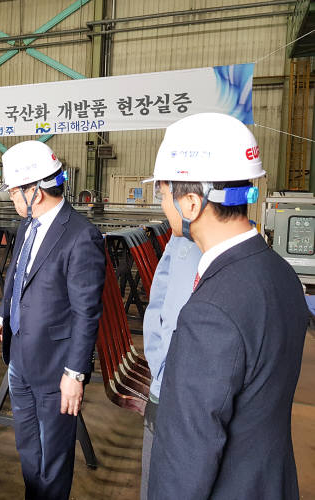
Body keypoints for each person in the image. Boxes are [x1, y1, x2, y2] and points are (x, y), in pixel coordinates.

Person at [147, 113, 309, 499]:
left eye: (163, 191)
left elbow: (185, 461)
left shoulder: (210, 313)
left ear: (190, 202)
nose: (162, 202)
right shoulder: (281, 274)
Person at [0, 140, 105, 500]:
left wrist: (75, 374)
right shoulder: (28, 225)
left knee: (53, 456)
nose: (11, 198)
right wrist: (1, 316)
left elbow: (87, 312)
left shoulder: (80, 236)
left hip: (56, 370)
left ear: (35, 191)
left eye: (14, 191)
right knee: (28, 448)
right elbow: (17, 275)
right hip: (19, 358)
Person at [140, 234, 201, 500]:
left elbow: (162, 316)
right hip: (169, 386)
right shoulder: (180, 245)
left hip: (176, 394)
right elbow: (158, 312)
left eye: (165, 195)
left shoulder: (186, 248)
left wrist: (161, 372)